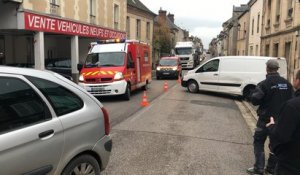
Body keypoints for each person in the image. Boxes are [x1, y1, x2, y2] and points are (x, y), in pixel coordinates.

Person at [247, 59, 294, 175]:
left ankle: (259, 168)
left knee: (258, 142)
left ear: (267, 69)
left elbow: (255, 100)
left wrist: (251, 94)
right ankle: (271, 168)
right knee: (275, 145)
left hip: (264, 120)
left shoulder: (264, 84)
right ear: (277, 69)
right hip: (280, 121)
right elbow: (292, 101)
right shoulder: (287, 84)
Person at [266, 69, 300, 175]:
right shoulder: (288, 86)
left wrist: (272, 127)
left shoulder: (292, 106)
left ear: (298, 81)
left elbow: (280, 137)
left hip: (291, 165)